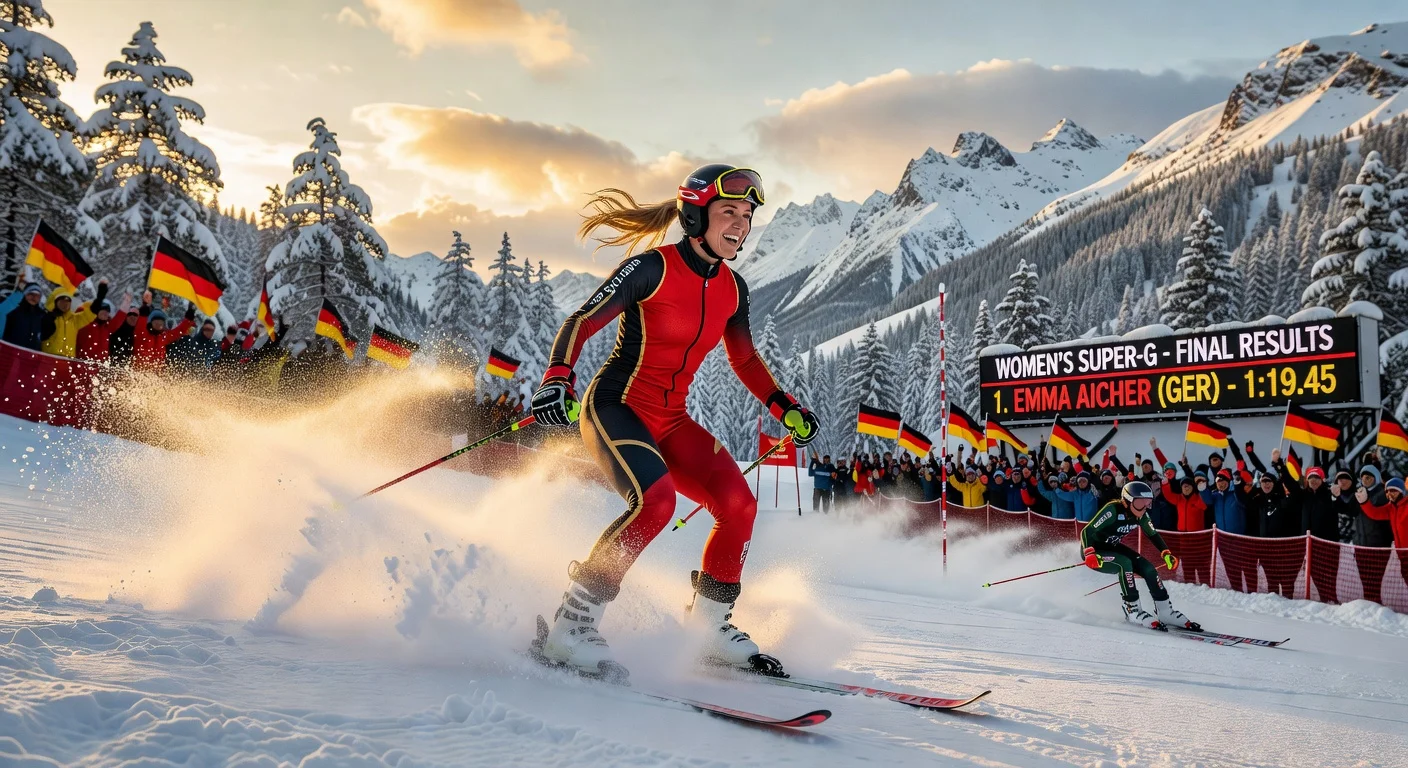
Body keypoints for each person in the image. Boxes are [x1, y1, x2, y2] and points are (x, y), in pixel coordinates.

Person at [528, 165, 819, 680]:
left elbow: (746, 360)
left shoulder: (733, 288)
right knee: (656, 502)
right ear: (694, 213)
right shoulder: (651, 268)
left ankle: (709, 626)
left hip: (672, 419)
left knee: (738, 503)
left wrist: (784, 407)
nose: (741, 224)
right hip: (616, 406)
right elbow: (582, 320)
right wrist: (557, 376)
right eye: (729, 211)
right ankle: (570, 627)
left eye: (747, 215)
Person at [1081, 481, 1199, 630]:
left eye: (1147, 503)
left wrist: (1166, 553)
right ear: (1127, 500)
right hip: (1094, 551)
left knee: (1148, 567)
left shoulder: (1141, 515)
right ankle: (1132, 610)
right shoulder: (1113, 510)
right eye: (1139, 503)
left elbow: (1153, 534)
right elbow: (1087, 531)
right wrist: (1089, 553)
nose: (1144, 507)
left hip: (1113, 547)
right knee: (1124, 563)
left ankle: (1165, 611)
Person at [41, 281, 107, 357]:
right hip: (48, 361)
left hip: (66, 363)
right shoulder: (47, 317)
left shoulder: (73, 320)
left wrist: (99, 298)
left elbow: (89, 314)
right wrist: (50, 317)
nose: (65, 304)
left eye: (68, 301)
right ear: (55, 302)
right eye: (62, 301)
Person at [133, 301, 196, 373]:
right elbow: (139, 327)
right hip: (139, 373)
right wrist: (143, 315)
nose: (158, 325)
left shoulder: (164, 336)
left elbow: (178, 331)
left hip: (156, 375)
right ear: (150, 323)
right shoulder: (143, 334)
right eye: (156, 323)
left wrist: (189, 318)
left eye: (161, 323)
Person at [76, 292, 130, 362]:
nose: (105, 314)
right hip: (82, 363)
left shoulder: (106, 327)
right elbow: (80, 316)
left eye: (107, 312)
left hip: (100, 366)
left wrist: (126, 303)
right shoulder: (86, 324)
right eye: (103, 311)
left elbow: (118, 320)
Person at [1, 283, 48, 350]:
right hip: (12, 353)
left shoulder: (42, 315)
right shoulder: (14, 311)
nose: (33, 297)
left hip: (33, 355)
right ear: (25, 294)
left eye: (37, 295)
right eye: (30, 294)